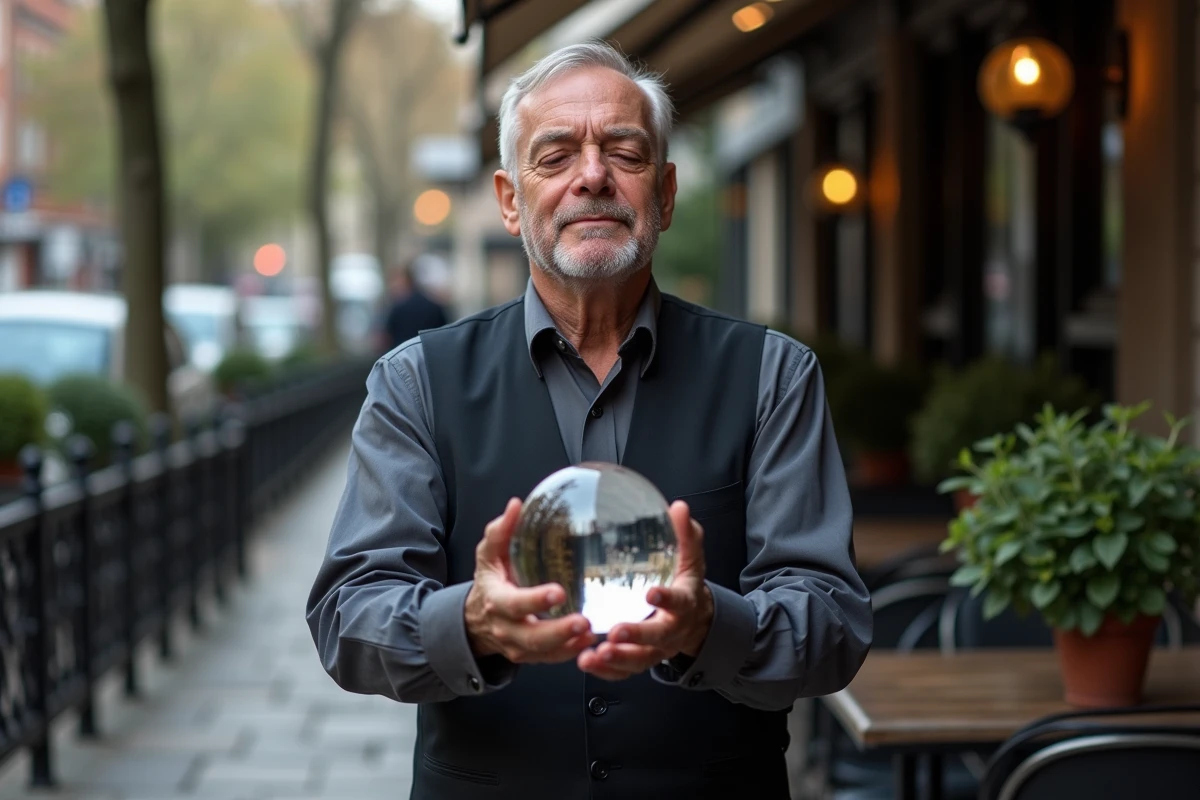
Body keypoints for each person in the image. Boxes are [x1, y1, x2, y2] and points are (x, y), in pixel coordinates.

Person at [306, 41, 872, 800]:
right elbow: (348, 614)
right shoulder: (415, 383)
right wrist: (471, 621)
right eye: (556, 156)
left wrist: (710, 624)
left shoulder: (774, 375)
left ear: (665, 193)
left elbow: (833, 624)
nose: (593, 176)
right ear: (511, 201)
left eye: (625, 153)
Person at [381, 259, 447, 351]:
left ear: (406, 281)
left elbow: (386, 337)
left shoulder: (398, 307)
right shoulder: (434, 307)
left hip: (401, 354)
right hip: (429, 355)